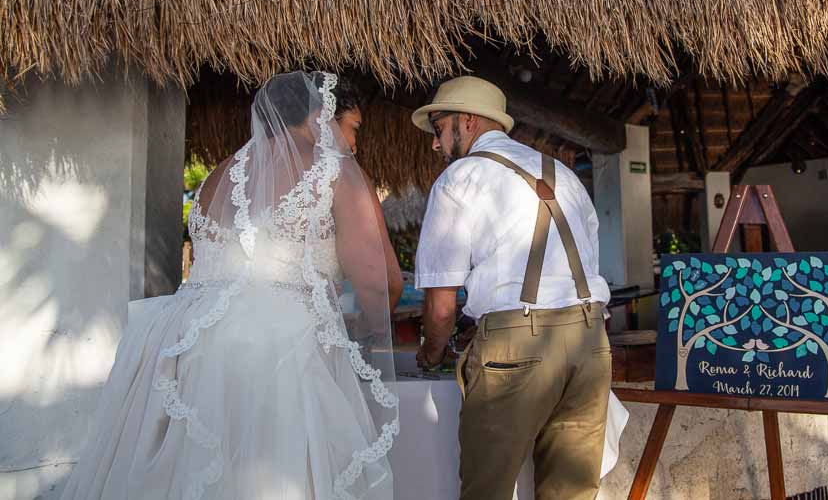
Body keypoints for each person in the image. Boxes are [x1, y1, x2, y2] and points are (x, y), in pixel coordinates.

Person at [61, 72, 404, 500]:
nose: (353, 145)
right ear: (321, 116)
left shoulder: (216, 177)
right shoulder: (333, 171)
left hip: (179, 340)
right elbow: (381, 282)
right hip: (277, 348)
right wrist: (369, 335)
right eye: (352, 129)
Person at [412, 76, 613, 500]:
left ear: (466, 121)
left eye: (438, 129)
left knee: (488, 490)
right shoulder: (562, 173)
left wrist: (431, 354)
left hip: (516, 347)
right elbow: (591, 258)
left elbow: (441, 304)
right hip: (591, 339)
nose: (435, 144)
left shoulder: (459, 179)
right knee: (571, 494)